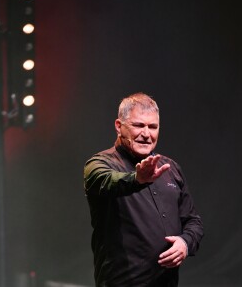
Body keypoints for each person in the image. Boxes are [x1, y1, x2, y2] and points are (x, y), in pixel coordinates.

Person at [84, 92, 203, 287]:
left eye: (153, 127)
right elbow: (108, 180)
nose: (146, 134)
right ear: (118, 126)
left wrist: (184, 243)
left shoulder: (171, 168)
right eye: (139, 125)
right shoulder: (99, 164)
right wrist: (137, 179)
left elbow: (193, 222)